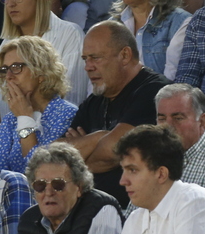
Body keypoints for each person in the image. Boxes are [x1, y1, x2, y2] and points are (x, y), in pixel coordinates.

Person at [65, 21, 171, 206]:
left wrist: (80, 152)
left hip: (132, 209)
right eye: (85, 59)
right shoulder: (94, 101)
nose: (87, 67)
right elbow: (57, 155)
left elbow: (115, 151)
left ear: (125, 55)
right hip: (88, 211)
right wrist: (100, 137)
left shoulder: (153, 91)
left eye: (95, 58)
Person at [0, 0, 90, 121]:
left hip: (56, 138)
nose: (10, 3)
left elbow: (73, 98)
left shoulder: (70, 34)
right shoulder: (6, 43)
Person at [0, 36, 82, 176]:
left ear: (40, 72)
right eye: (4, 69)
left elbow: (40, 171)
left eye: (16, 67)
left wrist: (24, 118)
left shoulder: (66, 114)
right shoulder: (9, 120)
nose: (8, 76)